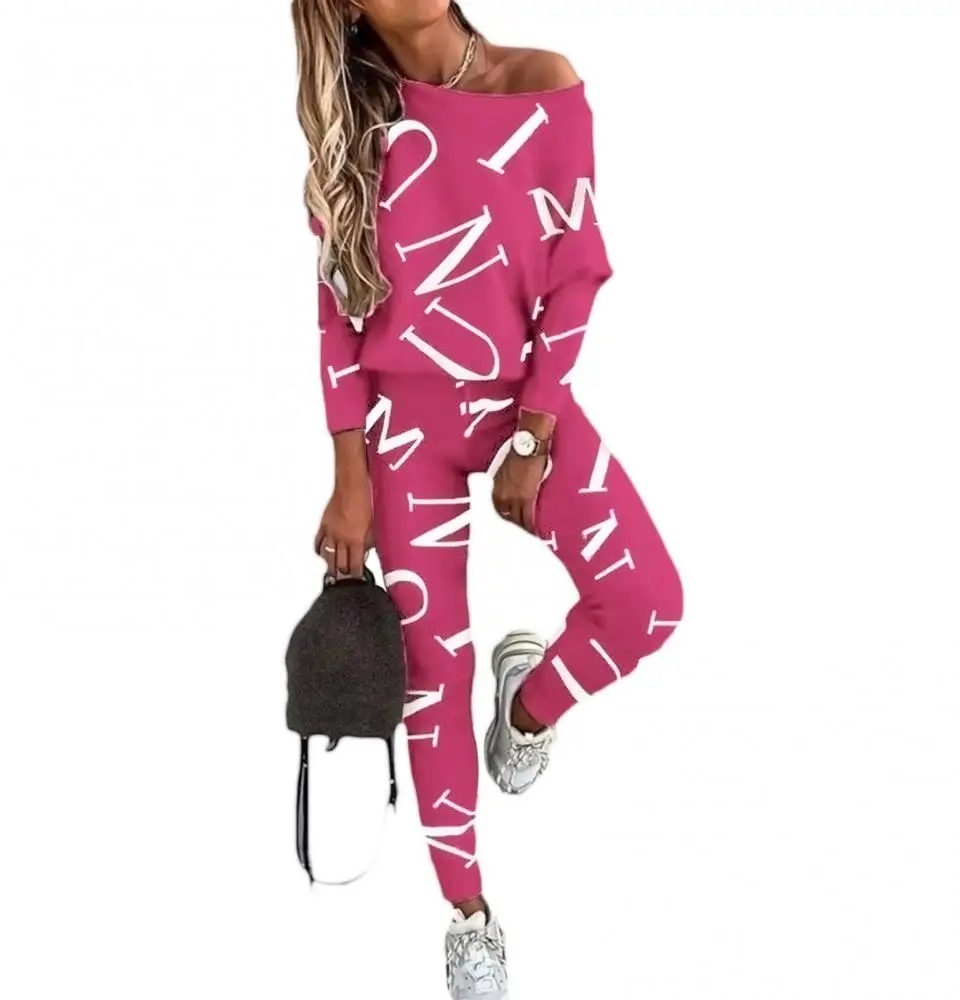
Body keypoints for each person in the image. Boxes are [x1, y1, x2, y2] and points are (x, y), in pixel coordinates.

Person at [292, 3, 684, 997]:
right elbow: (337, 318)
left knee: (647, 601)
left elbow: (576, 274)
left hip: (517, 402)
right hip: (401, 432)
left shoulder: (540, 81)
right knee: (432, 673)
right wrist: (348, 475)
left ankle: (531, 704)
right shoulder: (358, 127)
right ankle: (467, 911)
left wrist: (535, 433)